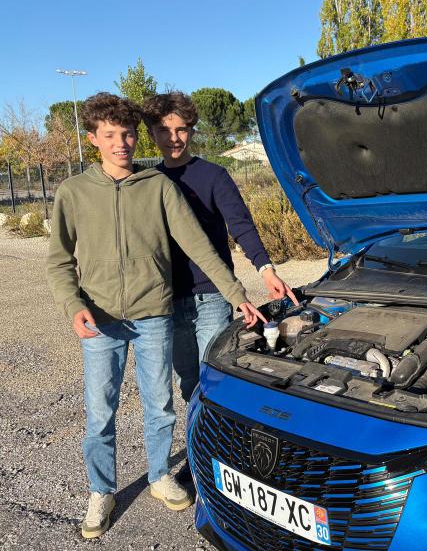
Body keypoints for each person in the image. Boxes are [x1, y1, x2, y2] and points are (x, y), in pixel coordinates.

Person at [46, 93, 266, 539]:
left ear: (136, 136)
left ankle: (159, 475)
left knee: (159, 405)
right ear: (94, 139)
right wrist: (73, 305)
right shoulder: (73, 192)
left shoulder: (158, 186)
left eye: (127, 134)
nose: (121, 143)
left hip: (153, 315)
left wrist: (236, 293)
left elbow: (198, 244)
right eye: (110, 135)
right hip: (101, 319)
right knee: (100, 411)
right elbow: (59, 260)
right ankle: (100, 491)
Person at [142, 92, 297, 408]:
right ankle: (200, 433)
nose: (174, 138)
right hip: (168, 298)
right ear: (151, 134)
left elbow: (241, 226)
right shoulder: (147, 182)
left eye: (181, 129)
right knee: (188, 382)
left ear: (192, 131)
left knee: (214, 377)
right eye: (164, 130)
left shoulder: (214, 176)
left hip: (211, 296)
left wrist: (266, 270)